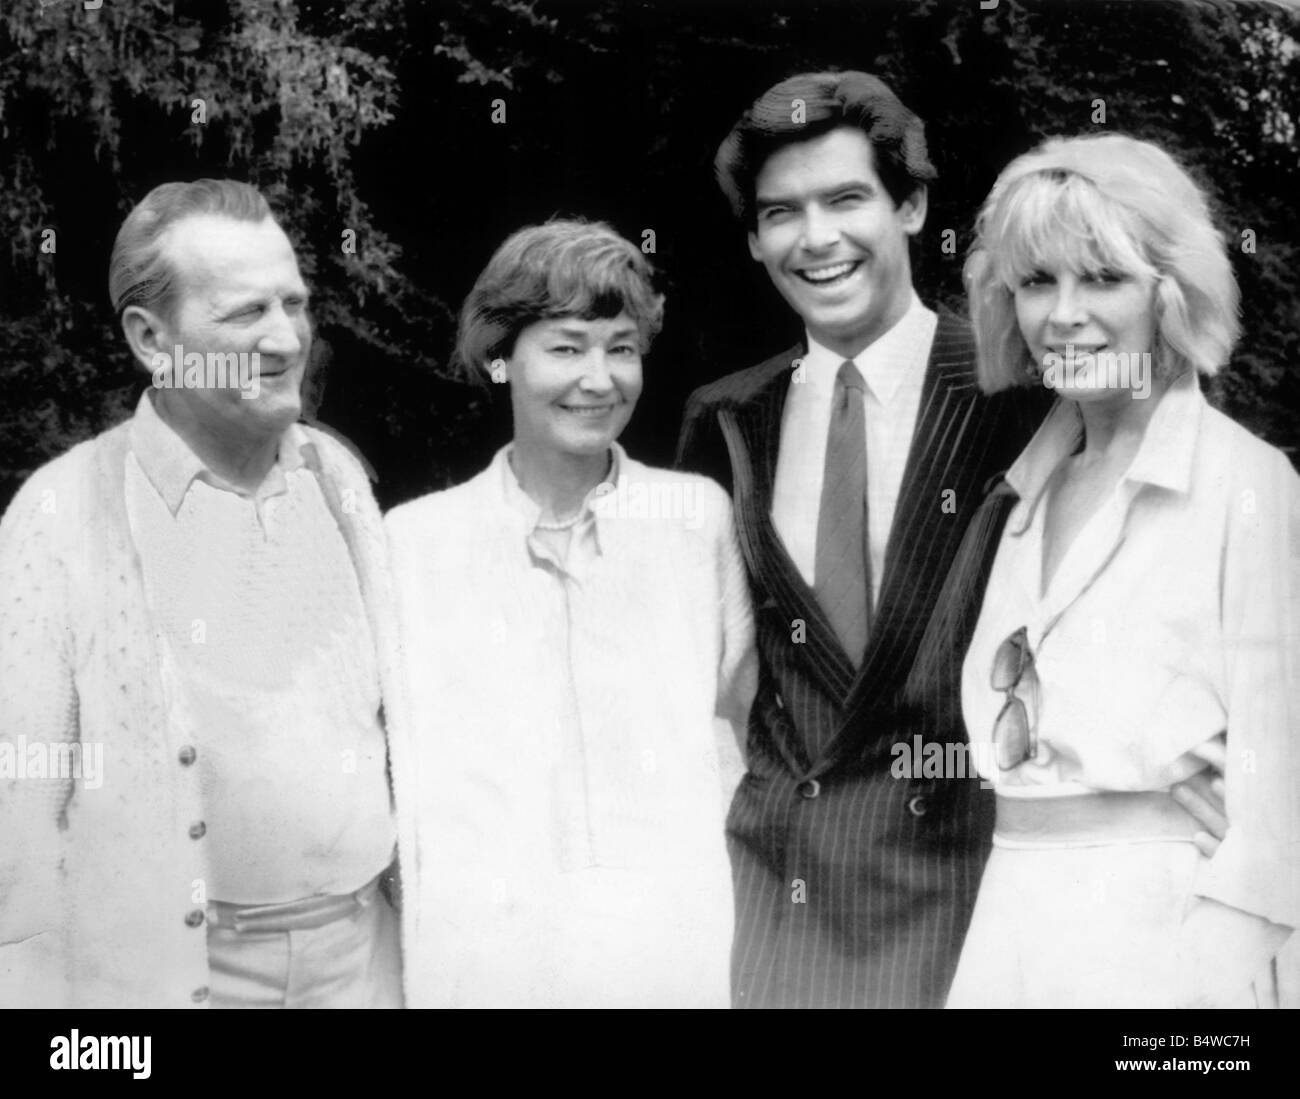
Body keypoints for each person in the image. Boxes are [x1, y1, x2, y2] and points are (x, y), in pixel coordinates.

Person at [675, 71, 1228, 1008]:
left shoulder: (1035, 395)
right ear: (756, 239)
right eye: (782, 213)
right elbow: (707, 675)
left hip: (977, 901)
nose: (816, 238)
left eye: (847, 199)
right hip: (781, 907)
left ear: (911, 205)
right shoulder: (725, 418)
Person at [0, 180, 405, 1008]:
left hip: (366, 964)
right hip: (180, 981)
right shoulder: (61, 509)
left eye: (294, 303)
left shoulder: (338, 477)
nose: (286, 338)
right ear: (152, 338)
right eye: (244, 314)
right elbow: (19, 817)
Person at [948, 133, 1298, 1008]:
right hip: (1007, 931)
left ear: (1170, 295)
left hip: (1167, 954)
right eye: (1036, 282)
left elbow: (1279, 812)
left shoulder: (1245, 482)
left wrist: (1191, 999)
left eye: (1103, 277)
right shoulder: (1022, 491)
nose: (1063, 314)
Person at [385, 219, 756, 1008]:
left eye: (621, 347)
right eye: (566, 346)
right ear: (499, 358)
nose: (600, 377)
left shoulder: (695, 520)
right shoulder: (414, 545)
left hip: (670, 955)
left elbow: (737, 731)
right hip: (487, 961)